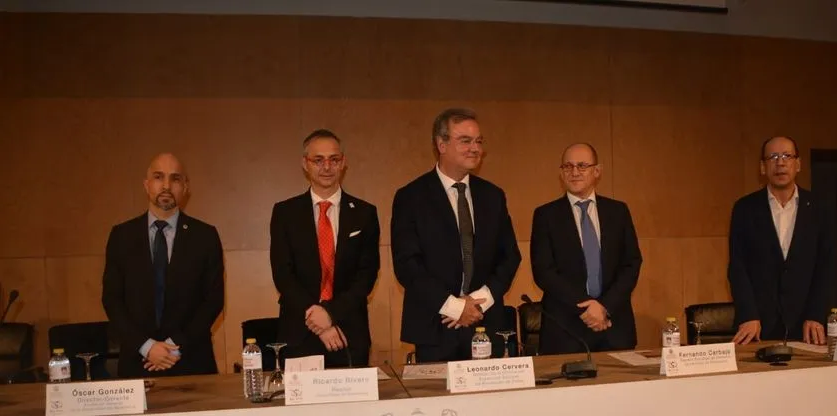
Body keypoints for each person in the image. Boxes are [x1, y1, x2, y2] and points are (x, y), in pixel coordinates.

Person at [391, 108, 521, 362]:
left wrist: (477, 302)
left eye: (479, 141)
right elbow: (407, 265)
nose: (475, 148)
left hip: (485, 323)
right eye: (465, 141)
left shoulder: (493, 196)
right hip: (437, 325)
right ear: (442, 144)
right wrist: (454, 306)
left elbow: (510, 258)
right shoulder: (411, 197)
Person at [102, 153, 224, 377]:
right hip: (137, 364)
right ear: (146, 185)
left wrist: (173, 347)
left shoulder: (205, 236)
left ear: (185, 187)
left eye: (175, 179)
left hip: (191, 362)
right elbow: (112, 299)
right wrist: (147, 347)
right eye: (159, 177)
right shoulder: (122, 236)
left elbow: (213, 301)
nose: (166, 185)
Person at [269, 129, 380, 367]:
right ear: (305, 164)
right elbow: (283, 275)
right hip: (299, 333)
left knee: (353, 404)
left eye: (334, 159)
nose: (327, 167)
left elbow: (366, 276)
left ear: (343, 163)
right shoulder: (285, 213)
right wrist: (317, 320)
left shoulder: (364, 213)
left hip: (348, 332)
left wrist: (330, 315)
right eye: (318, 160)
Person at [530, 143, 643, 354]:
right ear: (561, 173)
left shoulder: (618, 211)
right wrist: (588, 308)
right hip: (565, 330)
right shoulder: (546, 216)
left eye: (582, 166)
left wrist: (604, 307)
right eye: (568, 166)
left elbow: (631, 264)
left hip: (614, 326)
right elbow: (543, 271)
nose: (574, 172)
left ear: (597, 171)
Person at [728, 136, 833, 345]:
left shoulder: (820, 208)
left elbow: (827, 265)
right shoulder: (745, 208)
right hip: (757, 327)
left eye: (787, 156)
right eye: (773, 157)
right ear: (763, 167)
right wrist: (749, 314)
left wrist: (815, 313)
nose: (781, 163)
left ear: (798, 164)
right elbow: (737, 266)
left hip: (807, 326)